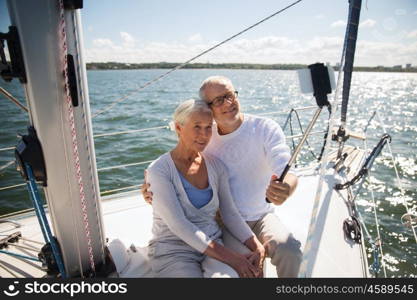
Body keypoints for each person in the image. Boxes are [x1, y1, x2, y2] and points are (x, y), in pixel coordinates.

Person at [143, 76, 302, 277]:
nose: (227, 103)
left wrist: (285, 188)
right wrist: (152, 190)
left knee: (289, 252)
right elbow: (180, 162)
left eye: (229, 95)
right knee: (249, 268)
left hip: (258, 215)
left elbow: (286, 170)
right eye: (218, 100)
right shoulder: (202, 137)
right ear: (209, 110)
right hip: (215, 227)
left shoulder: (262, 129)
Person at [146, 99, 265, 278]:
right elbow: (179, 225)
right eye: (197, 127)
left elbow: (230, 214)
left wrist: (256, 245)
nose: (204, 134)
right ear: (179, 128)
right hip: (173, 250)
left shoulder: (217, 167)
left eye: (209, 127)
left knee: (244, 273)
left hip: (212, 243)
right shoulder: (159, 170)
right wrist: (233, 258)